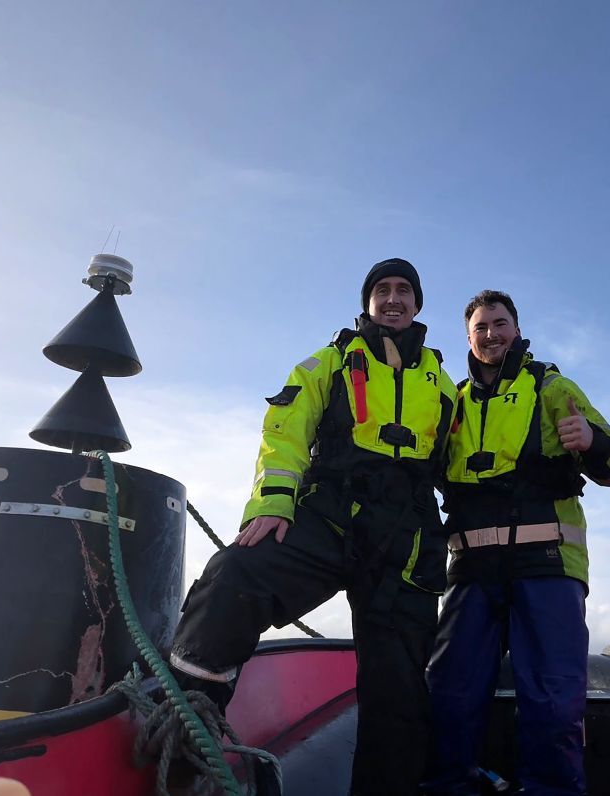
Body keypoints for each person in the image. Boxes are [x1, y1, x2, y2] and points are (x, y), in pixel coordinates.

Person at [169, 258, 457, 796]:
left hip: (407, 539)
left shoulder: (443, 384)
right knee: (235, 575)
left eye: (403, 291)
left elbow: (457, 465)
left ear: (417, 304)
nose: (393, 299)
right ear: (367, 302)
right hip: (329, 516)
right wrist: (273, 505)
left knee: (398, 695)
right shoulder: (329, 362)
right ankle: (181, 726)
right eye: (382, 290)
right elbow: (286, 431)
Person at [423, 290, 610, 796]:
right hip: (472, 573)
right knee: (449, 692)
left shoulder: (553, 388)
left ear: (517, 328)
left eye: (500, 323)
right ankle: (453, 786)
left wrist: (592, 440)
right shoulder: (450, 402)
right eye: (481, 327)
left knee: (553, 700)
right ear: (468, 337)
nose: (491, 334)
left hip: (548, 565)